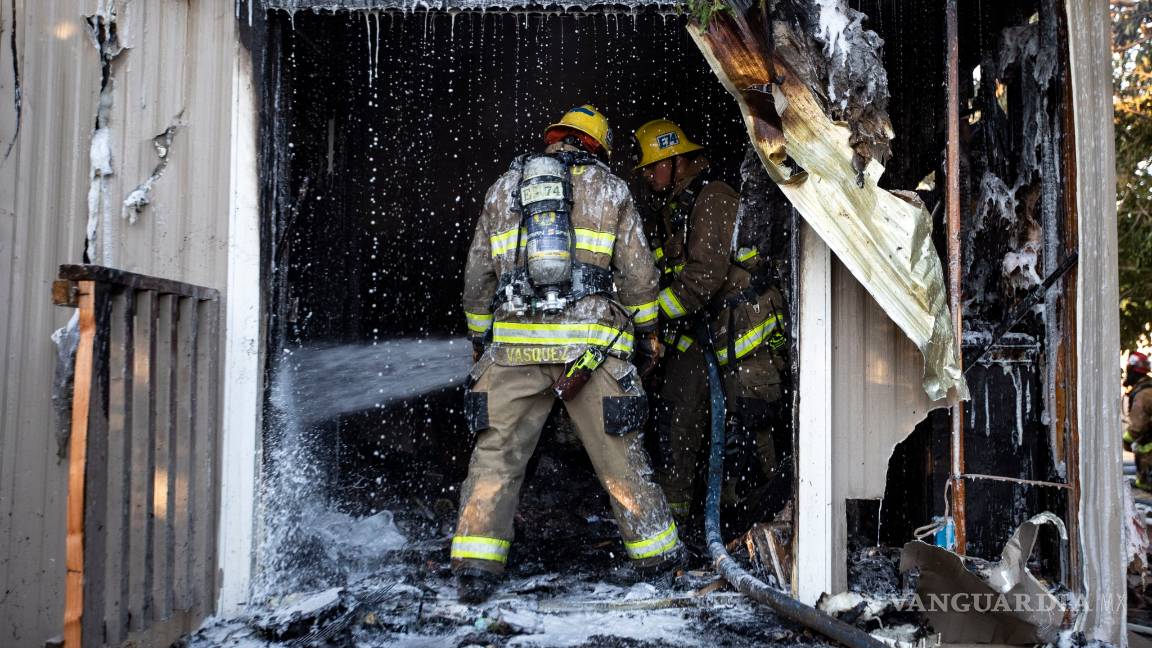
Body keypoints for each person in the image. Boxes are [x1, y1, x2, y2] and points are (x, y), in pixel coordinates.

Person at [453, 105, 680, 604]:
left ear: (555, 139)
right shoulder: (611, 190)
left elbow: (477, 276)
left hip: (515, 348)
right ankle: (659, 559)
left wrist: (480, 337)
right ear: (597, 146)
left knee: (496, 458)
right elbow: (639, 275)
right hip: (591, 349)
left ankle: (475, 565)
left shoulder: (502, 189)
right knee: (620, 461)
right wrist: (648, 332)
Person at [632, 118, 790, 526]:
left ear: (676, 161)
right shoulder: (674, 210)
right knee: (677, 421)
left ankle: (765, 526)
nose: (647, 175)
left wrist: (649, 316)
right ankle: (676, 526)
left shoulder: (713, 197)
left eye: (652, 166)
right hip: (704, 334)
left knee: (751, 431)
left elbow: (704, 276)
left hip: (744, 335)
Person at [1124, 351, 1152, 491]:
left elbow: (1137, 427)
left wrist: (1125, 440)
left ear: (1133, 371)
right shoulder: (1148, 390)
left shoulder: (1142, 395)